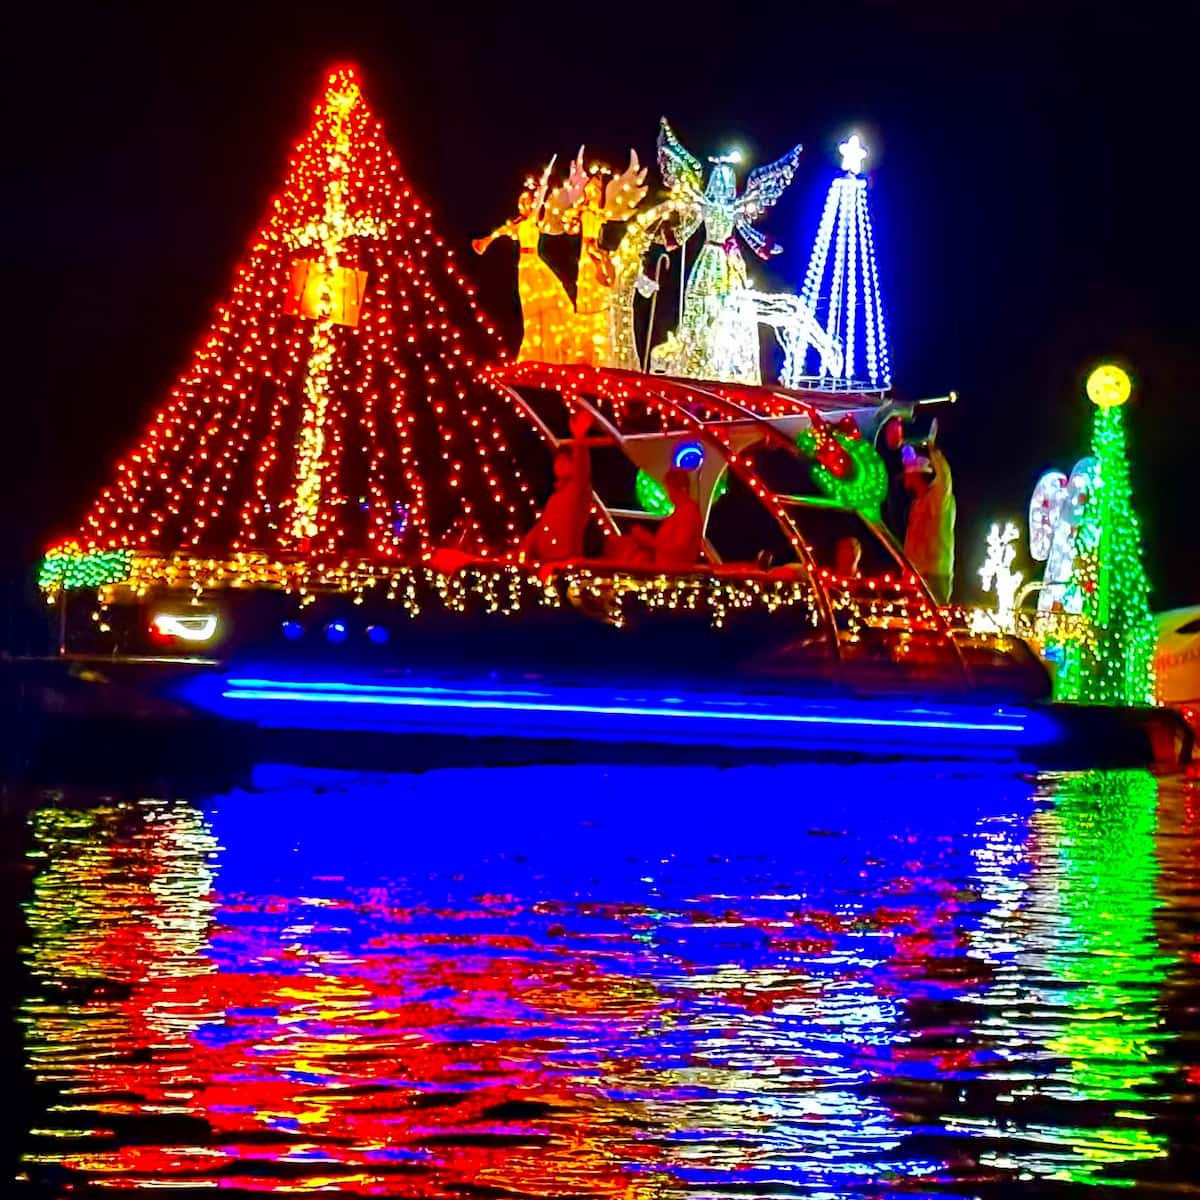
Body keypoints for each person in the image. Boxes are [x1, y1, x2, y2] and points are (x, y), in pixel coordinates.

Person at [521, 409, 594, 561]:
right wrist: (524, 547)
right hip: (545, 561)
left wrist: (579, 438)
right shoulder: (555, 497)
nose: (559, 465)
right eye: (558, 460)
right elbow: (541, 527)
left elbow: (582, 467)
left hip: (566, 562)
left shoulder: (578, 489)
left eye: (565, 461)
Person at [903, 437, 956, 604]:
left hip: (934, 574)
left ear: (916, 475)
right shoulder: (916, 503)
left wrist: (933, 450)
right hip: (916, 572)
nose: (905, 479)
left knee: (935, 622)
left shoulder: (938, 498)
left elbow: (945, 477)